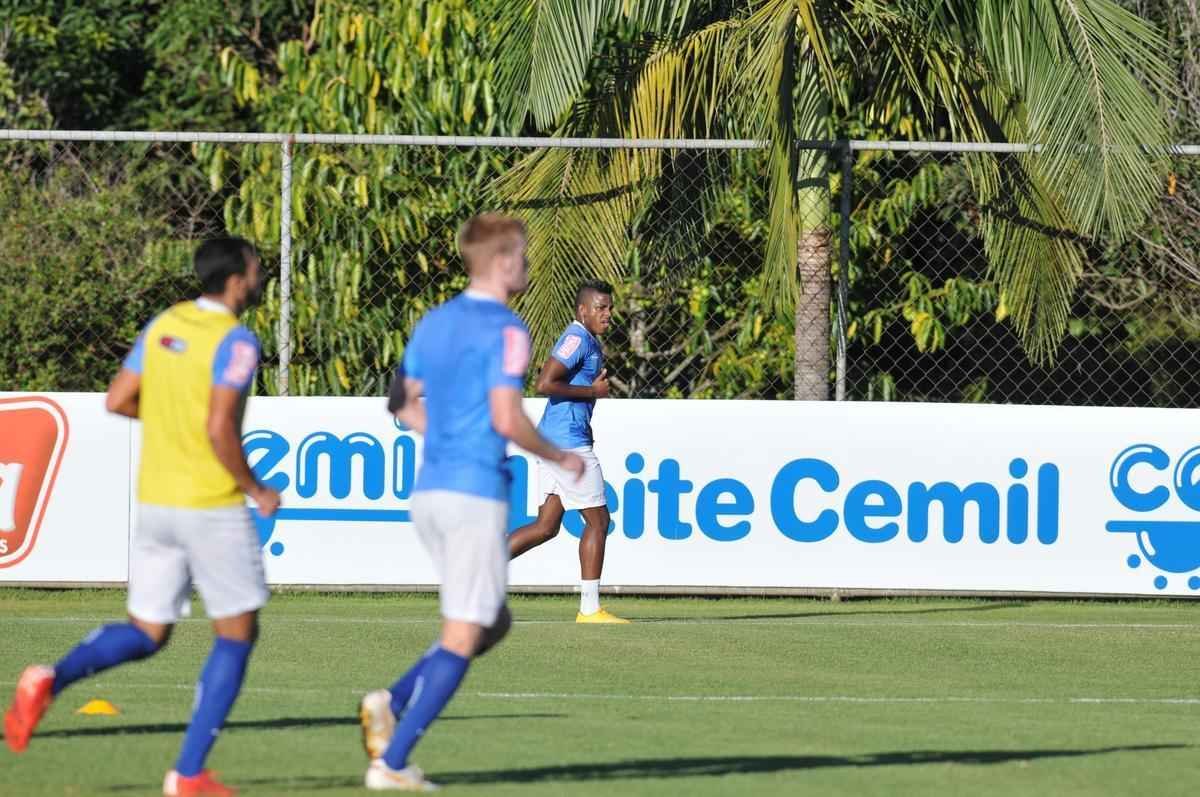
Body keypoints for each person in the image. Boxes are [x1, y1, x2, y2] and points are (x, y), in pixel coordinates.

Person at [3, 237, 281, 797]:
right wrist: (255, 488)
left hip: (157, 501)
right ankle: (189, 773)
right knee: (237, 633)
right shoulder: (238, 341)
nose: (259, 277)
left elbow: (117, 399)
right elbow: (220, 427)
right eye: (255, 269)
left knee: (148, 632)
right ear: (236, 279)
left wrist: (173, 417)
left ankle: (50, 678)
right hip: (209, 504)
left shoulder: (166, 323)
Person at [358, 213, 584, 791]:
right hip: (472, 493)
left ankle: (391, 699)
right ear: (504, 260)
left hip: (430, 493)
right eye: (525, 255)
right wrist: (560, 457)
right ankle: (393, 761)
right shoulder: (508, 330)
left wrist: (444, 435)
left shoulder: (435, 321)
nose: (529, 264)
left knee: (491, 621)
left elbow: (400, 405)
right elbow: (508, 417)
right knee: (466, 630)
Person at [507, 280, 627, 623]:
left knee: (547, 526)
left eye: (609, 308)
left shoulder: (588, 340)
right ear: (582, 311)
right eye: (600, 308)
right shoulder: (576, 339)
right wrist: (592, 390)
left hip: (557, 439)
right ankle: (590, 608)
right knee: (598, 520)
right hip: (567, 443)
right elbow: (544, 383)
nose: (607, 314)